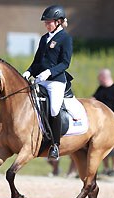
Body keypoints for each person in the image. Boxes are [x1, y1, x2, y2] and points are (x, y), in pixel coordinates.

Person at [22, 5, 73, 161]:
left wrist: (49, 72)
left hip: (56, 82)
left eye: (49, 22)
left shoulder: (65, 38)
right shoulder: (44, 38)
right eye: (46, 22)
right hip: (40, 80)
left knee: (53, 109)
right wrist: (29, 71)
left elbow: (65, 63)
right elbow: (37, 61)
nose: (46, 24)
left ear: (58, 22)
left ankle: (55, 145)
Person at [92, 68, 114, 176]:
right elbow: (93, 99)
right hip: (101, 122)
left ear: (103, 77)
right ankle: (106, 168)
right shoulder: (100, 89)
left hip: (112, 121)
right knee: (101, 144)